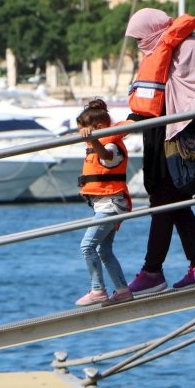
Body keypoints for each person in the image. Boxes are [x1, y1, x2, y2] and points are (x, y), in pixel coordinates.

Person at [124, 8, 195, 295]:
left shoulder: (192, 47)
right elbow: (148, 101)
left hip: (184, 137)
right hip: (156, 138)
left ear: (153, 29)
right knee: (173, 203)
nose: (138, 44)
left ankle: (153, 271)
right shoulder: (154, 54)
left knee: (166, 202)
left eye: (139, 37)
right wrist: (121, 126)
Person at [74, 99, 133, 306]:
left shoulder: (110, 145)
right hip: (104, 204)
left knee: (87, 246)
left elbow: (106, 156)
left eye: (85, 132)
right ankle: (122, 290)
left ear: (98, 129)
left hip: (111, 204)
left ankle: (97, 289)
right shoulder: (101, 142)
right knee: (103, 250)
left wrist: (95, 140)